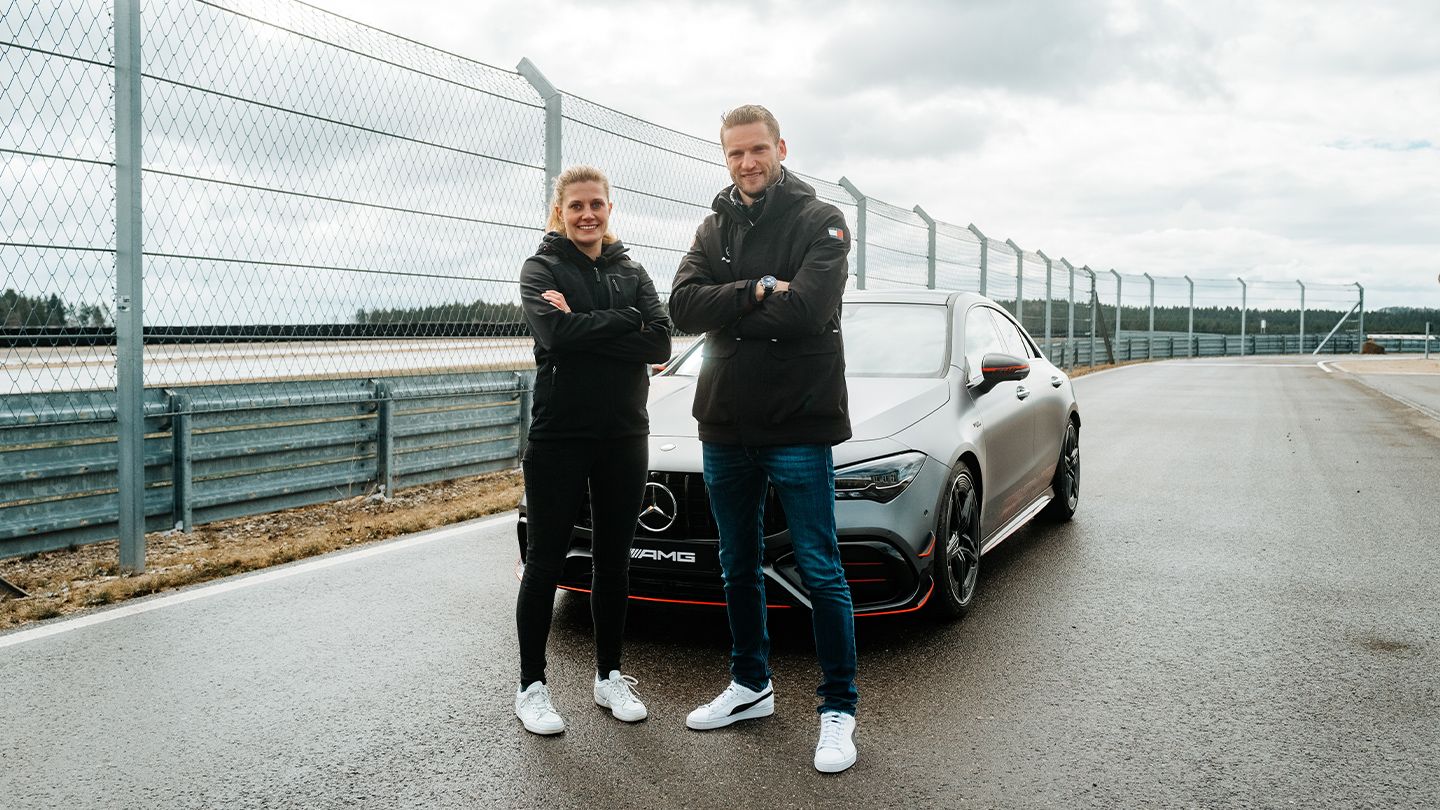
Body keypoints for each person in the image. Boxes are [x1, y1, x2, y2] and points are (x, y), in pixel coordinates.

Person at [668, 105, 859, 773]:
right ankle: (751, 685)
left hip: (798, 423)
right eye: (734, 154)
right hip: (723, 421)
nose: (746, 163)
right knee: (737, 564)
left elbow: (808, 311)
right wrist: (754, 290)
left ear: (780, 147)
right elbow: (681, 307)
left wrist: (729, 307)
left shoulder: (820, 220)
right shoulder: (712, 224)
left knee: (820, 568)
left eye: (757, 150)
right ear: (724, 158)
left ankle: (838, 709)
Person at [513, 165, 673, 735]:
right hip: (559, 434)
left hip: (624, 433)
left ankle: (609, 676)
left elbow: (659, 339)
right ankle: (532, 686)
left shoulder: (632, 268)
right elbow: (555, 337)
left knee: (614, 559)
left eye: (597, 205)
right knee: (546, 560)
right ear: (560, 211)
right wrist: (624, 324)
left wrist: (590, 323)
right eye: (576, 205)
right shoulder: (542, 267)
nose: (587, 214)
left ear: (610, 208)